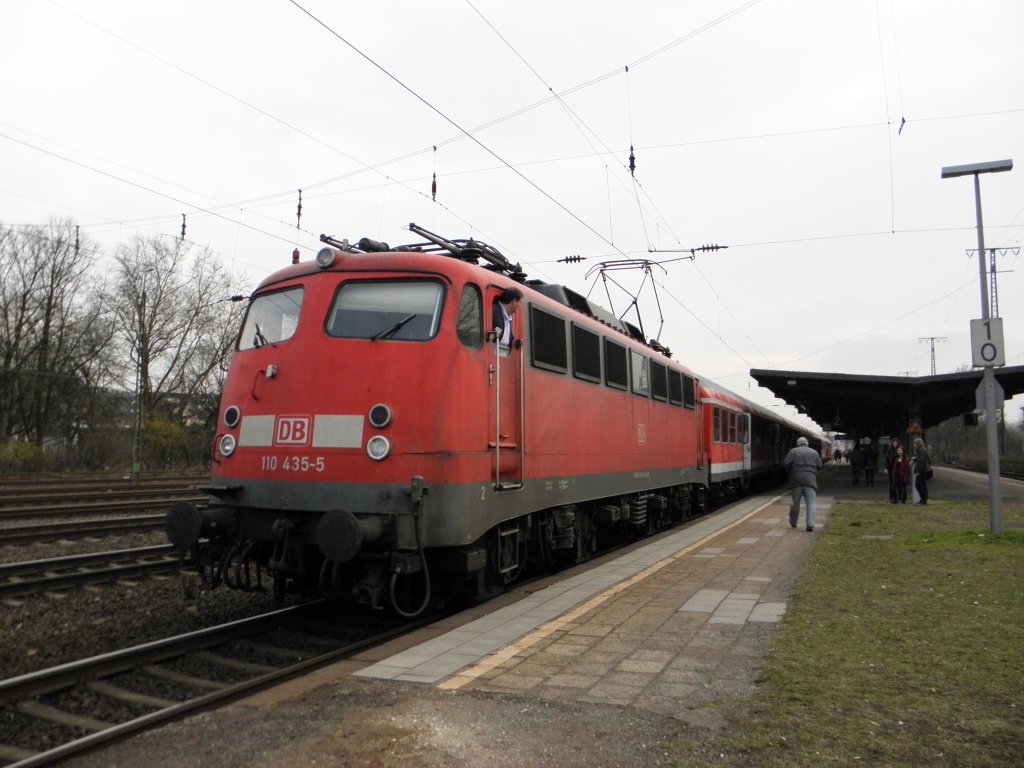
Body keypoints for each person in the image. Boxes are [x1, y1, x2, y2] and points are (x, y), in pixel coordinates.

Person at [784, 436, 823, 531]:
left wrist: (791, 473)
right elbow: (819, 465)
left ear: (798, 443)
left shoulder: (793, 451)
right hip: (810, 480)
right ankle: (810, 524)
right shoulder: (814, 452)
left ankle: (793, 522)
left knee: (795, 503)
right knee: (811, 503)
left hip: (796, 480)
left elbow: (786, 465)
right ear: (807, 443)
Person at [912, 437, 931, 505]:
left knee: (921, 485)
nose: (913, 445)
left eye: (914, 443)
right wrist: (914, 460)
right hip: (922, 471)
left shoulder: (922, 450)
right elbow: (919, 459)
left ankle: (924, 500)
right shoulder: (920, 450)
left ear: (917, 444)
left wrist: (918, 471)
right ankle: (922, 499)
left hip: (922, 471)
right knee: (919, 485)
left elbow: (922, 462)